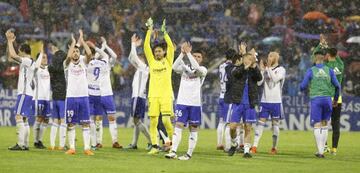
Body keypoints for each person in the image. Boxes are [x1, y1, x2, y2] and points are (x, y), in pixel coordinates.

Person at [165, 42, 207, 160]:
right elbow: (173, 67)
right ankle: (173, 151)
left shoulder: (203, 70)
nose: (196, 58)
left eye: (199, 57)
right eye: (195, 56)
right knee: (178, 126)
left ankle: (188, 154)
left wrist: (188, 54)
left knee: (193, 128)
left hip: (195, 104)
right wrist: (182, 54)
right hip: (182, 102)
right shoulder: (184, 67)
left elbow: (197, 69)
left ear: (202, 59)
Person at [300, 49, 340, 158]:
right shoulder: (330, 70)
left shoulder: (311, 70)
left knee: (317, 124)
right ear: (324, 58)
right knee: (325, 124)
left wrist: (304, 90)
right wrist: (335, 99)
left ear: (314, 58)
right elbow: (338, 86)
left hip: (316, 100)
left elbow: (302, 86)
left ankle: (321, 151)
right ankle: (321, 150)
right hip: (327, 100)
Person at [144, 18, 175, 154]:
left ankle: (173, 143)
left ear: (164, 52)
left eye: (159, 51)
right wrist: (149, 31)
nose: (157, 53)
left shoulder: (168, 61)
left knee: (167, 120)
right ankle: (155, 146)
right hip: (153, 95)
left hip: (166, 95)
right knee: (153, 121)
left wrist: (165, 33)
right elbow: (145, 46)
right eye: (155, 51)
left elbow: (171, 47)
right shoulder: (151, 62)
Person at [227, 52, 262, 158]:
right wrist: (244, 67)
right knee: (232, 127)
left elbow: (259, 78)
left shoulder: (254, 71)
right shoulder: (238, 69)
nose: (249, 61)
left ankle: (247, 151)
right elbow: (234, 75)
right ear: (243, 59)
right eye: (247, 59)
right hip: (238, 103)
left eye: (251, 59)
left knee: (248, 127)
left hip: (250, 104)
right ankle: (234, 143)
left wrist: (255, 66)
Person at [64, 30, 93, 155]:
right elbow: (68, 57)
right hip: (71, 97)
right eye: (74, 51)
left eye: (77, 51)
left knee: (85, 123)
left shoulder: (83, 61)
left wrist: (82, 41)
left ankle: (87, 148)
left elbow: (90, 54)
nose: (75, 53)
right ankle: (72, 148)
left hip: (83, 96)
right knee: (71, 123)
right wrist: (74, 43)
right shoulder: (66, 64)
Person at [252, 52, 286, 154]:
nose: (269, 58)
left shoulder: (281, 70)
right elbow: (259, 83)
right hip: (265, 101)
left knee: (275, 125)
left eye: (271, 56)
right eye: (268, 56)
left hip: (276, 101)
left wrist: (268, 68)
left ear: (276, 58)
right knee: (260, 123)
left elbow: (275, 80)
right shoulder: (267, 69)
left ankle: (274, 147)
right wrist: (262, 71)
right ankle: (254, 146)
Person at [6, 29, 34, 151]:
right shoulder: (28, 61)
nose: (18, 52)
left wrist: (9, 40)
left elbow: (13, 55)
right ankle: (26, 144)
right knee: (24, 119)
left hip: (24, 93)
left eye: (19, 51)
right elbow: (10, 58)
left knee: (18, 116)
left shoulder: (27, 61)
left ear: (23, 51)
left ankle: (20, 144)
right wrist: (10, 43)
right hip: (28, 93)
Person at [317, 34, 345, 155]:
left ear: (328, 55)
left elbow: (317, 56)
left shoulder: (326, 67)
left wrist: (322, 44)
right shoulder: (341, 65)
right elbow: (335, 55)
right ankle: (334, 149)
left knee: (324, 122)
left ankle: (324, 146)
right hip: (337, 98)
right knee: (336, 123)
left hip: (327, 97)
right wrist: (328, 48)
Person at [125, 34, 152, 150]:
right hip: (139, 96)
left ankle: (152, 142)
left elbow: (134, 57)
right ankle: (134, 143)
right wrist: (134, 46)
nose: (138, 59)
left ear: (143, 60)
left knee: (136, 120)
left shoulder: (144, 67)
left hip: (138, 96)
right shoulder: (141, 68)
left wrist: (133, 44)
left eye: (140, 58)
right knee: (138, 120)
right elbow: (131, 58)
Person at [48, 43, 67, 150]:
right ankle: (61, 145)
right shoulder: (62, 68)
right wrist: (57, 51)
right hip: (62, 95)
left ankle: (52, 145)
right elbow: (65, 56)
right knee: (63, 121)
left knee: (55, 121)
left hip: (54, 95)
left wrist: (55, 53)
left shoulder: (51, 67)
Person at [216, 49, 236, 151]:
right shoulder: (232, 68)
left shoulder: (221, 66)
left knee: (221, 122)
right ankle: (228, 147)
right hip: (228, 96)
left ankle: (219, 143)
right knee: (228, 123)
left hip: (221, 95)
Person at [32, 52, 51, 149]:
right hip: (38, 98)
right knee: (39, 118)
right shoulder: (37, 69)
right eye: (43, 58)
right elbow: (36, 65)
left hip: (47, 98)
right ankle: (36, 141)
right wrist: (40, 55)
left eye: (46, 57)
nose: (45, 59)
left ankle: (40, 140)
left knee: (46, 120)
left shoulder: (48, 69)